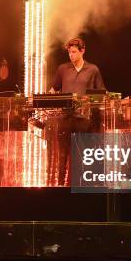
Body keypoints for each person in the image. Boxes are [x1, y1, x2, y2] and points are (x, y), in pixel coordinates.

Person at [45, 38, 106, 186]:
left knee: (82, 154)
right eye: (69, 52)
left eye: (73, 52)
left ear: (82, 51)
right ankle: (59, 186)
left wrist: (93, 100)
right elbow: (53, 89)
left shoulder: (93, 70)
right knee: (62, 154)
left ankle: (83, 185)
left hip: (84, 119)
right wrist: (47, 98)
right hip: (65, 118)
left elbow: (101, 93)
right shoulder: (63, 69)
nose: (71, 55)